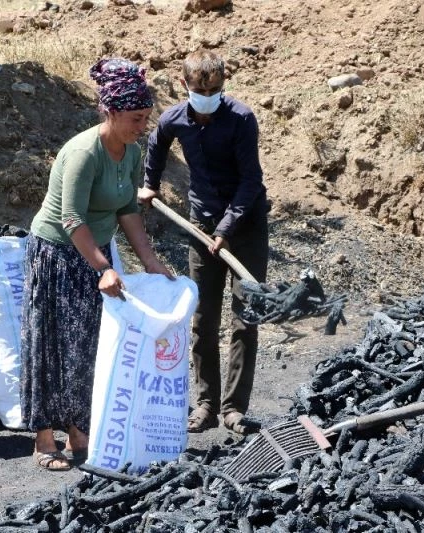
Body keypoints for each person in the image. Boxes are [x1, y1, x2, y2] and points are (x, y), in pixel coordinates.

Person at [20, 58, 174, 471]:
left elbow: (128, 211)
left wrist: (151, 261)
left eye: (146, 118)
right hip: (58, 253)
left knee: (89, 345)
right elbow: (72, 219)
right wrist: (104, 267)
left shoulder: (132, 150)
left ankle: (80, 434)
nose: (143, 125)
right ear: (111, 111)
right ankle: (43, 441)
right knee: (53, 344)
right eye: (136, 118)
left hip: (96, 252)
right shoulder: (83, 152)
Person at [138, 49, 269, 435]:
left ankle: (234, 409)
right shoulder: (173, 118)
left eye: (215, 89)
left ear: (224, 86)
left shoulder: (242, 119)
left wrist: (226, 230)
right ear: (185, 85)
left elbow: (251, 182)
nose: (207, 96)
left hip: (245, 226)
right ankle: (207, 404)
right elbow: (156, 144)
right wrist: (150, 185)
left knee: (246, 319)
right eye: (200, 89)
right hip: (200, 224)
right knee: (203, 318)